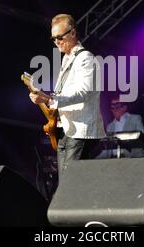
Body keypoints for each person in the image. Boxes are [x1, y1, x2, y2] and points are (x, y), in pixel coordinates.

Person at [29, 14, 106, 182]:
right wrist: (45, 97)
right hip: (67, 129)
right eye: (53, 38)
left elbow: (83, 92)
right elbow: (62, 92)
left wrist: (49, 99)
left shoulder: (86, 58)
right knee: (65, 185)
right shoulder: (67, 59)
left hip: (81, 131)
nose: (57, 41)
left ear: (73, 33)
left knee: (71, 185)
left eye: (60, 37)